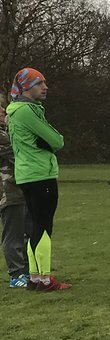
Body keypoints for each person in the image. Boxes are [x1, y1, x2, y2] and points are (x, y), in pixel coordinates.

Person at [6, 67, 69, 290]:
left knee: (35, 226)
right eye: (39, 83)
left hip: (27, 174)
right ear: (25, 88)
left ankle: (34, 278)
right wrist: (49, 143)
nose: (45, 87)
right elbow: (57, 140)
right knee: (43, 227)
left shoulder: (16, 111)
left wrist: (46, 142)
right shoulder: (26, 111)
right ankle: (44, 279)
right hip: (40, 173)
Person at [0, 109, 31, 288]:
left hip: (19, 189)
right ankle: (16, 274)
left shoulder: (6, 132)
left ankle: (26, 271)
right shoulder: (3, 136)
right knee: (14, 235)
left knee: (27, 232)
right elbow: (18, 155)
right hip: (9, 190)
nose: (3, 111)